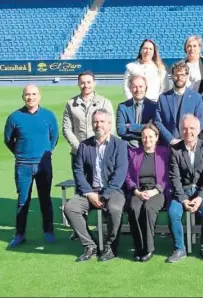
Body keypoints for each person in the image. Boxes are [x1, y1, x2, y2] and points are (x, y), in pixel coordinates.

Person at [64, 109, 128, 262]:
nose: (98, 125)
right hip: (90, 191)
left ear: (109, 124)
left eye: (102, 122)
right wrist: (89, 193)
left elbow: (120, 174)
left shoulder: (120, 145)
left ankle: (111, 246)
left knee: (115, 209)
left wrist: (104, 195)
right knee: (70, 207)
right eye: (95, 122)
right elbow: (78, 171)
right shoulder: (84, 146)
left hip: (113, 191)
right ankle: (90, 245)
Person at [62, 70, 115, 240]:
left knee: (103, 186)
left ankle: (107, 224)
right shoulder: (71, 104)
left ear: (94, 83)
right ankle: (80, 230)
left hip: (100, 152)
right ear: (78, 84)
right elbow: (67, 128)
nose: (85, 85)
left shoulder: (104, 102)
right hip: (78, 152)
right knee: (82, 189)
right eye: (82, 82)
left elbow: (110, 126)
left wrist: (101, 145)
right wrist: (80, 148)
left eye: (88, 82)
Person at [4, 84, 59, 248]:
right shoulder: (14, 117)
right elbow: (8, 140)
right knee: (23, 200)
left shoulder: (48, 116)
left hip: (43, 165)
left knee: (45, 199)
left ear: (39, 96)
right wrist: (21, 154)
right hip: (23, 165)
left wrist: (45, 153)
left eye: (34, 94)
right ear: (23, 97)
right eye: (27, 94)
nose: (31, 97)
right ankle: (20, 234)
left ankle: (48, 231)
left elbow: (54, 137)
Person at [167, 114, 203, 263]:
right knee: (173, 212)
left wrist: (200, 196)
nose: (188, 132)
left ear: (199, 129)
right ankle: (180, 249)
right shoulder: (175, 150)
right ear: (181, 130)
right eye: (185, 128)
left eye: (192, 128)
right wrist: (183, 200)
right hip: (182, 191)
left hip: (202, 191)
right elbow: (174, 178)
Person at [126, 124, 170, 262]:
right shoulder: (134, 153)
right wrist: (136, 191)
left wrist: (156, 190)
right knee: (134, 208)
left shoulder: (165, 152)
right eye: (144, 136)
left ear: (157, 137)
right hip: (139, 190)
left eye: (150, 136)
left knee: (148, 209)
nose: (147, 139)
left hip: (157, 191)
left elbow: (169, 175)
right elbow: (128, 175)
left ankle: (149, 248)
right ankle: (139, 247)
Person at [155, 61, 203, 146]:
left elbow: (200, 122)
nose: (179, 77)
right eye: (176, 75)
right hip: (168, 144)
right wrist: (171, 139)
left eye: (182, 75)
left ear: (187, 76)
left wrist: (187, 138)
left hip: (189, 143)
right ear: (172, 76)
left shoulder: (196, 98)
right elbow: (157, 122)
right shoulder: (163, 98)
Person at [117, 75, 157, 147]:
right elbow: (121, 130)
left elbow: (154, 130)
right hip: (127, 147)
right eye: (134, 87)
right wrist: (145, 128)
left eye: (141, 86)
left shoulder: (155, 107)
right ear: (130, 89)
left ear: (146, 88)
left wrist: (131, 126)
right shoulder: (122, 107)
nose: (138, 90)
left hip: (147, 146)